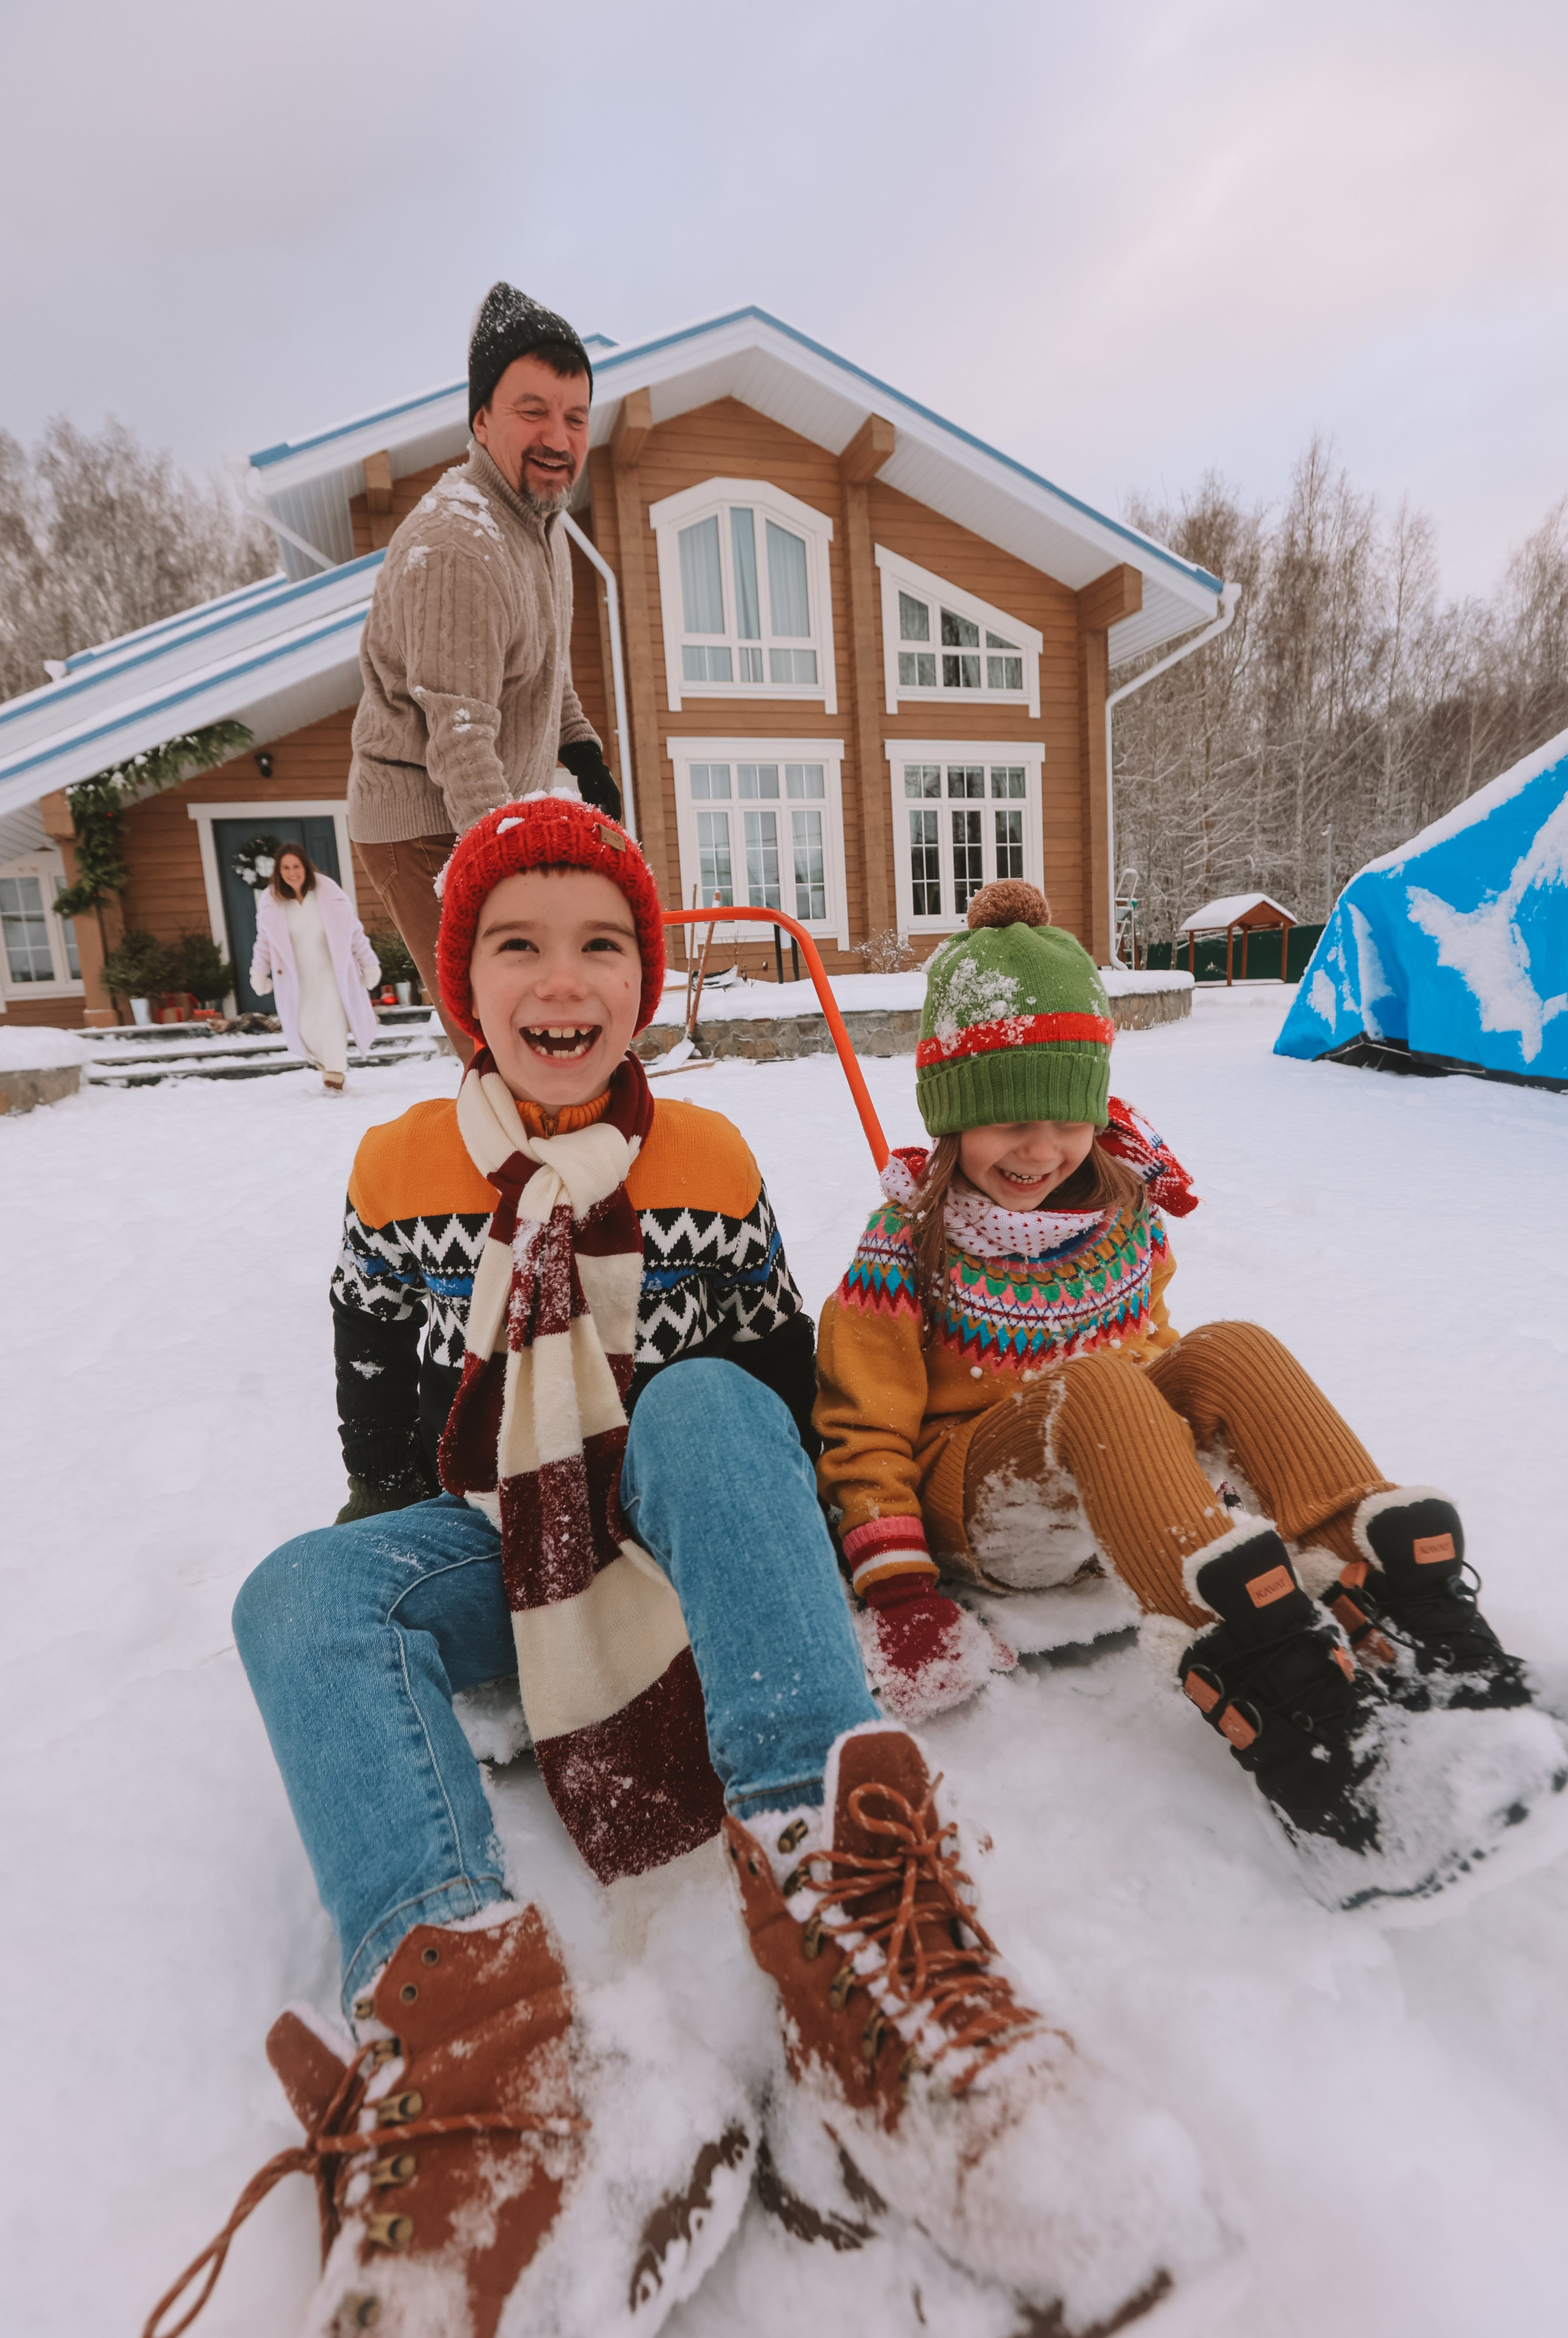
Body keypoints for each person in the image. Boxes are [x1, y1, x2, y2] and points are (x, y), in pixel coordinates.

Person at [145, 802, 1219, 2338]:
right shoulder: (393, 1169)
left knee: (709, 1395)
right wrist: (420, 1578)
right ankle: (478, 2055)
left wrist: (817, 1562)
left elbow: (773, 1411)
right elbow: (379, 1433)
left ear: (643, 981)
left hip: (677, 1514)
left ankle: (842, 1893)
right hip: (493, 1531)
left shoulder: (705, 1155)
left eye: (601, 944)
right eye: (517, 944)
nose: (560, 977)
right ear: (462, 983)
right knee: (296, 1588)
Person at [813, 878, 1565, 1909]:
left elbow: (1157, 1354)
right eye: (1006, 1121)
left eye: (1066, 1119)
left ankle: (1393, 1599)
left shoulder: (1122, 1218)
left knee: (1227, 1347)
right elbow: (861, 1431)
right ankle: (1288, 1712)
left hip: (1103, 1470)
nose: (1039, 1150)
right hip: (984, 1509)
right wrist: (901, 1592)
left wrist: (1194, 1465)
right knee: (1095, 1384)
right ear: (950, 1116)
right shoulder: (903, 1246)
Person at [347, 282, 623, 1064]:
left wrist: (582, 752)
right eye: (532, 411)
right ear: (481, 420)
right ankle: (502, 1136)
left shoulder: (542, 524)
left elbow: (545, 665)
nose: (558, 437)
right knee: (499, 1034)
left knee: (542, 1020)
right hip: (422, 820)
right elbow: (461, 736)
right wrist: (510, 876)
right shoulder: (459, 545)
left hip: (488, 805)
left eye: (575, 417)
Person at [250, 841, 382, 1093]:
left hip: (332, 976)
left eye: (296, 866)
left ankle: (334, 1079)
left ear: (305, 867)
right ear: (278, 871)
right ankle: (328, 1069)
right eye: (286, 868)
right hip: (297, 981)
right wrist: (259, 972)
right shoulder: (273, 902)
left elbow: (354, 933)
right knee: (305, 1029)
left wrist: (369, 964)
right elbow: (264, 942)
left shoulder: (327, 894)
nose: (292, 872)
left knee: (332, 1025)